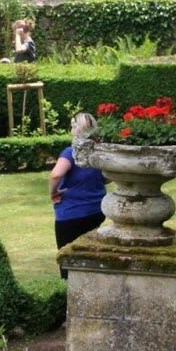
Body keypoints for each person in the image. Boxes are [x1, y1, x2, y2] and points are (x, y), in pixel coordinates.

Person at [48, 113, 107, 277]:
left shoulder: (71, 152)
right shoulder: (98, 151)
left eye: (73, 126)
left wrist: (53, 192)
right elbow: (107, 176)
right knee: (90, 256)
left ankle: (69, 298)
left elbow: (55, 175)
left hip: (71, 215)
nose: (71, 129)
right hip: (96, 211)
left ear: (79, 129)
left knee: (68, 261)